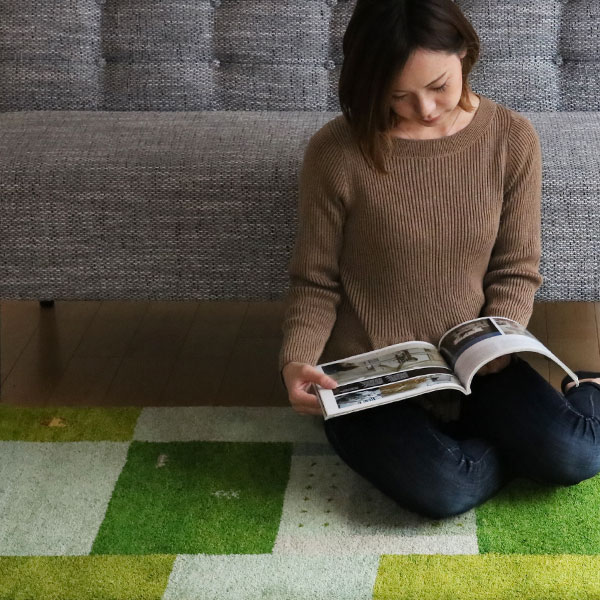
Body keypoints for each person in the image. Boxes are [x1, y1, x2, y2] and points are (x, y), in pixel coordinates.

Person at [278, 0, 600, 520]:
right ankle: (479, 449)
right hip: (371, 376)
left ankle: (585, 391)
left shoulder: (510, 138)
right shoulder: (336, 152)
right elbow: (315, 281)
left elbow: (516, 268)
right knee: (446, 491)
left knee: (576, 456)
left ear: (465, 53)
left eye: (439, 86)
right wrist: (297, 358)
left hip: (474, 364)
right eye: (398, 95)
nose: (425, 108)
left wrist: (501, 339)